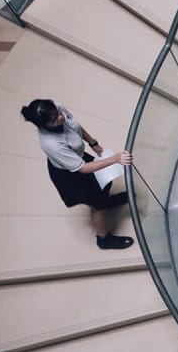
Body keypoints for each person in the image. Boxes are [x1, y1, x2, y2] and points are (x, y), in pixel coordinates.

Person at [20, 99, 133, 251]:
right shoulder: (53, 145)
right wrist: (114, 159)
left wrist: (93, 143)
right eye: (54, 120)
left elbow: (76, 126)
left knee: (103, 184)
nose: (60, 117)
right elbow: (83, 169)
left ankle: (106, 200)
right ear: (44, 126)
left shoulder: (57, 109)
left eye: (58, 113)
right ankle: (103, 239)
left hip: (78, 157)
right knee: (97, 202)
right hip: (71, 175)